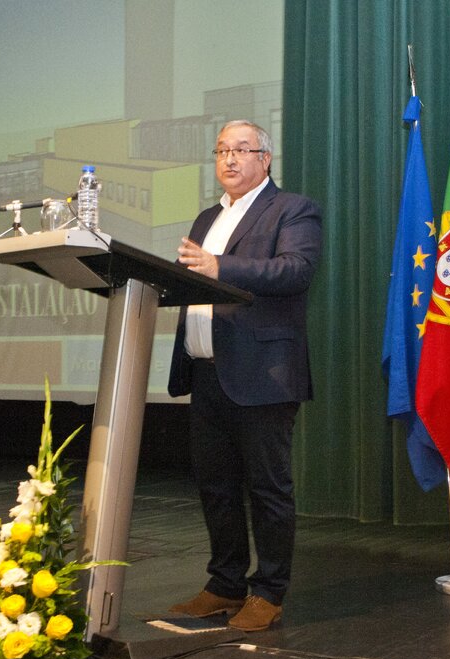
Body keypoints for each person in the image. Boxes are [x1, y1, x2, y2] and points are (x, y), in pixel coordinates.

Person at [167, 120, 322, 632]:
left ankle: (269, 592)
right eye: (222, 151)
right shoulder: (207, 216)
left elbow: (295, 271)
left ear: (266, 158)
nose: (230, 159)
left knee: (268, 488)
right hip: (207, 371)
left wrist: (220, 267)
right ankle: (225, 584)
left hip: (263, 374)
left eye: (242, 150)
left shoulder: (293, 209)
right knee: (216, 486)